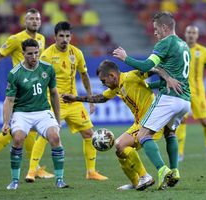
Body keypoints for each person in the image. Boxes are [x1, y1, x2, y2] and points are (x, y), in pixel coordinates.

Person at [62, 60, 182, 190]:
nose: (103, 84)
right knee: (120, 151)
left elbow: (154, 68)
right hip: (140, 123)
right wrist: (75, 98)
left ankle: (145, 176)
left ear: (112, 76)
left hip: (151, 121)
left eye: (104, 81)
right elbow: (101, 98)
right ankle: (137, 182)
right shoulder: (117, 87)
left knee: (120, 143)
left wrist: (168, 79)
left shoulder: (132, 77)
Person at [113, 11, 191, 190]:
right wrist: (149, 86)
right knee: (170, 133)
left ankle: (163, 170)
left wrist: (126, 58)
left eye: (156, 29)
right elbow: (172, 76)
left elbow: (147, 65)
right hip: (185, 100)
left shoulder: (166, 43)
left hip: (169, 98)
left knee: (143, 135)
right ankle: (175, 171)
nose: (155, 33)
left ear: (165, 27)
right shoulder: (183, 45)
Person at [0, 8, 53, 180]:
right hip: (21, 87)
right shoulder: (15, 39)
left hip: (34, 87)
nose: (35, 21)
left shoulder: (41, 39)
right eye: (31, 18)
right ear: (25, 21)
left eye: (37, 19)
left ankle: (35, 167)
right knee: (17, 128)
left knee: (30, 130)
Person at [27, 21, 107, 181]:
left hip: (74, 102)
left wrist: (90, 100)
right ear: (55, 37)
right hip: (54, 102)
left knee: (89, 134)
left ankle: (91, 172)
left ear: (71, 37)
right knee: (45, 134)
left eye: (67, 36)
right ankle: (31, 171)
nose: (65, 39)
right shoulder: (46, 56)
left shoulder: (76, 53)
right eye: (61, 36)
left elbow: (84, 75)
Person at [2, 38, 67, 190]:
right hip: (22, 112)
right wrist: (6, 122)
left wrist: (57, 119)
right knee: (18, 138)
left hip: (43, 111)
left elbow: (54, 94)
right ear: (23, 54)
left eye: (36, 53)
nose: (34, 57)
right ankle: (15, 180)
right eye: (30, 54)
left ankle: (59, 180)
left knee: (55, 137)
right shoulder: (15, 73)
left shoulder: (48, 69)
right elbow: (9, 100)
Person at [175, 25, 206, 162]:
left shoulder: (204, 51)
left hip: (198, 93)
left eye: (194, 33)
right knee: (181, 120)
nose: (191, 35)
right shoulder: (179, 49)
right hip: (182, 91)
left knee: (205, 122)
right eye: (189, 32)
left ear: (197, 35)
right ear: (185, 33)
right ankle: (180, 152)